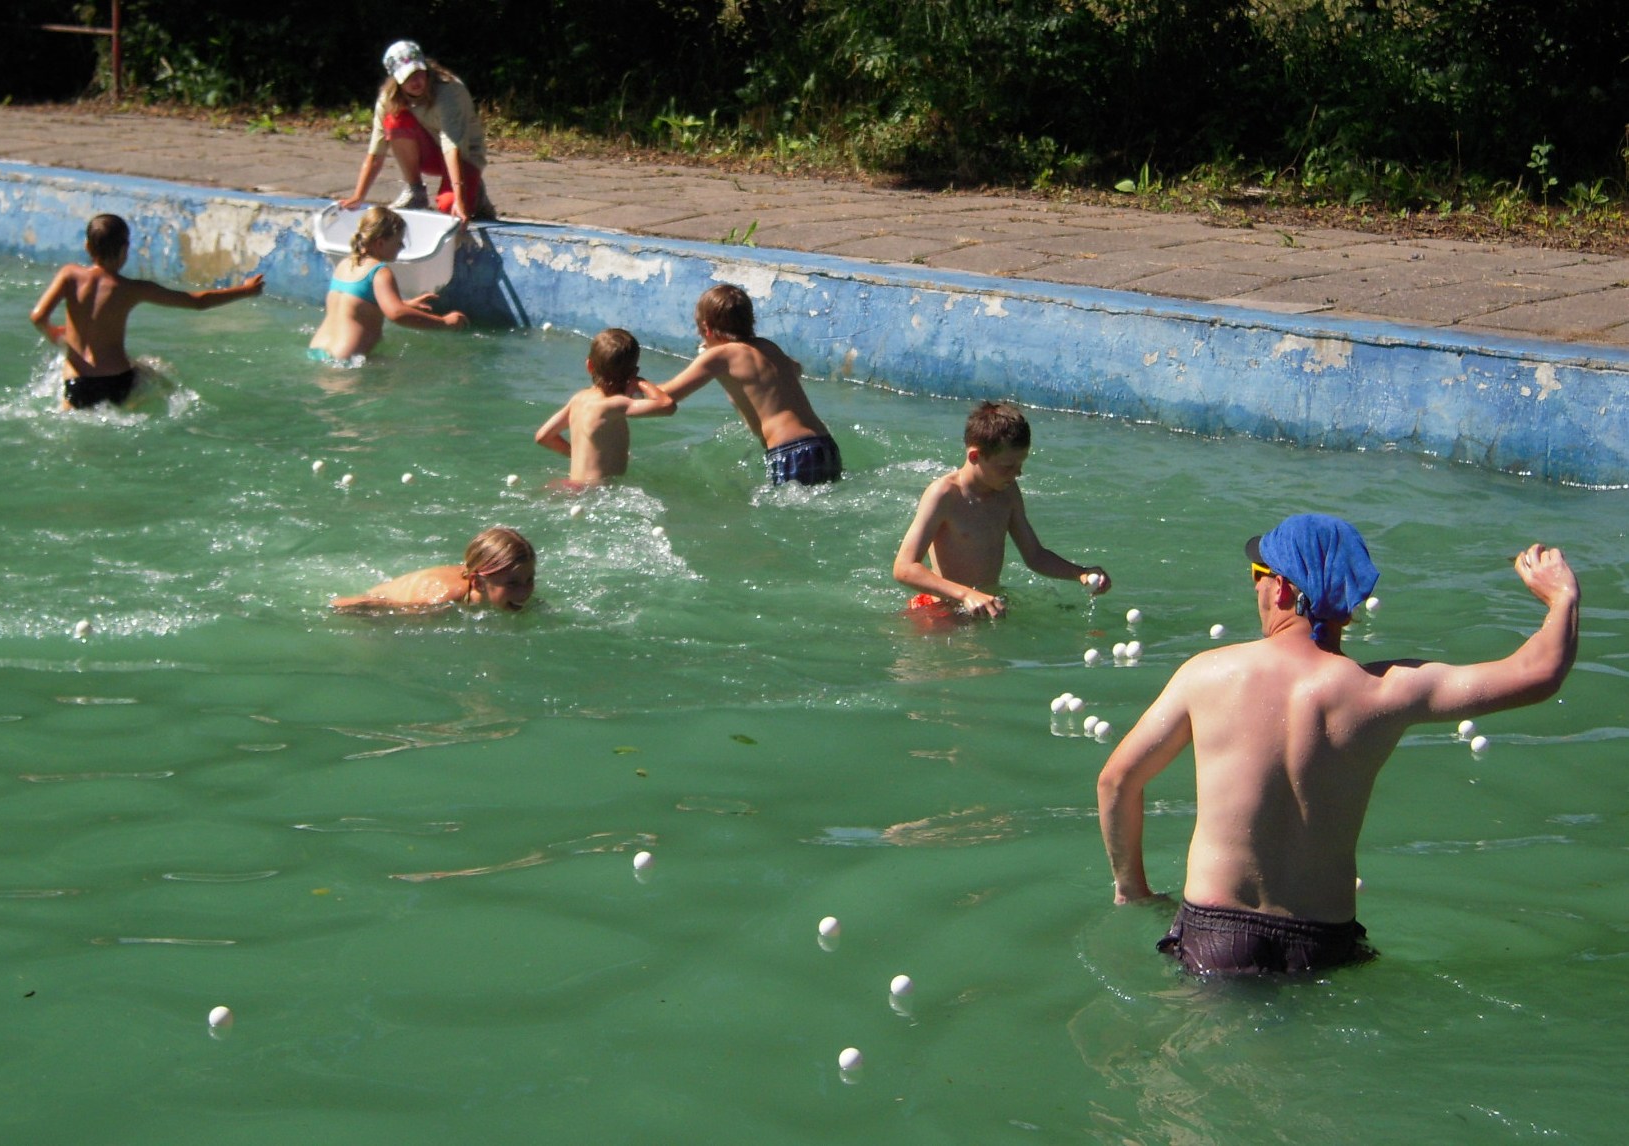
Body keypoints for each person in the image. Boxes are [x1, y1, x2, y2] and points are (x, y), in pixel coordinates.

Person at [1097, 514, 1580, 976]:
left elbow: (1117, 781)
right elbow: (1538, 673)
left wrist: (1132, 888)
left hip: (1216, 934)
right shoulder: (1385, 691)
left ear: (1282, 588)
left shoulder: (1207, 674)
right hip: (1323, 942)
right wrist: (1562, 597)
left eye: (1257, 575)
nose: (1255, 588)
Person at [892, 401, 1110, 618]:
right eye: (1007, 466)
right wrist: (966, 595)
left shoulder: (1007, 492)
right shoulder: (944, 495)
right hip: (942, 610)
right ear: (975, 457)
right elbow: (904, 567)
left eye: (1020, 465)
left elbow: (1035, 555)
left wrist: (1079, 573)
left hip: (987, 606)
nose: (1017, 474)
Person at [29, 214, 265, 410]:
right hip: (119, 381)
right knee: (158, 373)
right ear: (125, 249)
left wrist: (54, 334)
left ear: (87, 246)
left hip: (78, 382)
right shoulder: (132, 289)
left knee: (72, 412)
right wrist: (246, 290)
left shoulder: (69, 275)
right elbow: (197, 302)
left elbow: (38, 317)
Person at [656, 284, 841, 486]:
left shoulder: (719, 356)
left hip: (790, 451)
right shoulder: (768, 346)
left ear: (706, 328)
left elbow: (666, 395)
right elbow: (795, 369)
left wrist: (633, 382)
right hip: (825, 445)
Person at [339, 40, 493, 223]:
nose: (416, 81)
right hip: (429, 152)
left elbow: (452, 147)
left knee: (449, 206)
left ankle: (476, 197)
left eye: (419, 72)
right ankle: (415, 191)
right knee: (395, 118)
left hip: (463, 155)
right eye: (407, 76)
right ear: (396, 79)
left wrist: (460, 199)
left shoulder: (449, 91)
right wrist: (358, 196)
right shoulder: (388, 98)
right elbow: (376, 152)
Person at [309, 206, 467, 361]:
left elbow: (358, 304)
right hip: (346, 362)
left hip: (317, 352)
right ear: (380, 243)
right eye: (398, 242)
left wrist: (405, 304)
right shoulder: (379, 272)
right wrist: (445, 322)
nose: (402, 246)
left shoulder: (346, 264)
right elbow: (397, 314)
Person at [534, 328, 676, 485]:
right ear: (634, 372)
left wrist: (577, 455)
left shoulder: (578, 399)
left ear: (589, 366)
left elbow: (543, 436)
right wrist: (640, 381)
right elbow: (667, 405)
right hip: (596, 490)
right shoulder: (615, 405)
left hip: (572, 485)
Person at [332, 527, 535, 613]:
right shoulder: (440, 601)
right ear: (478, 583)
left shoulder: (496, 581)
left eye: (530, 579)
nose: (525, 592)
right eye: (512, 584)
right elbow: (355, 605)